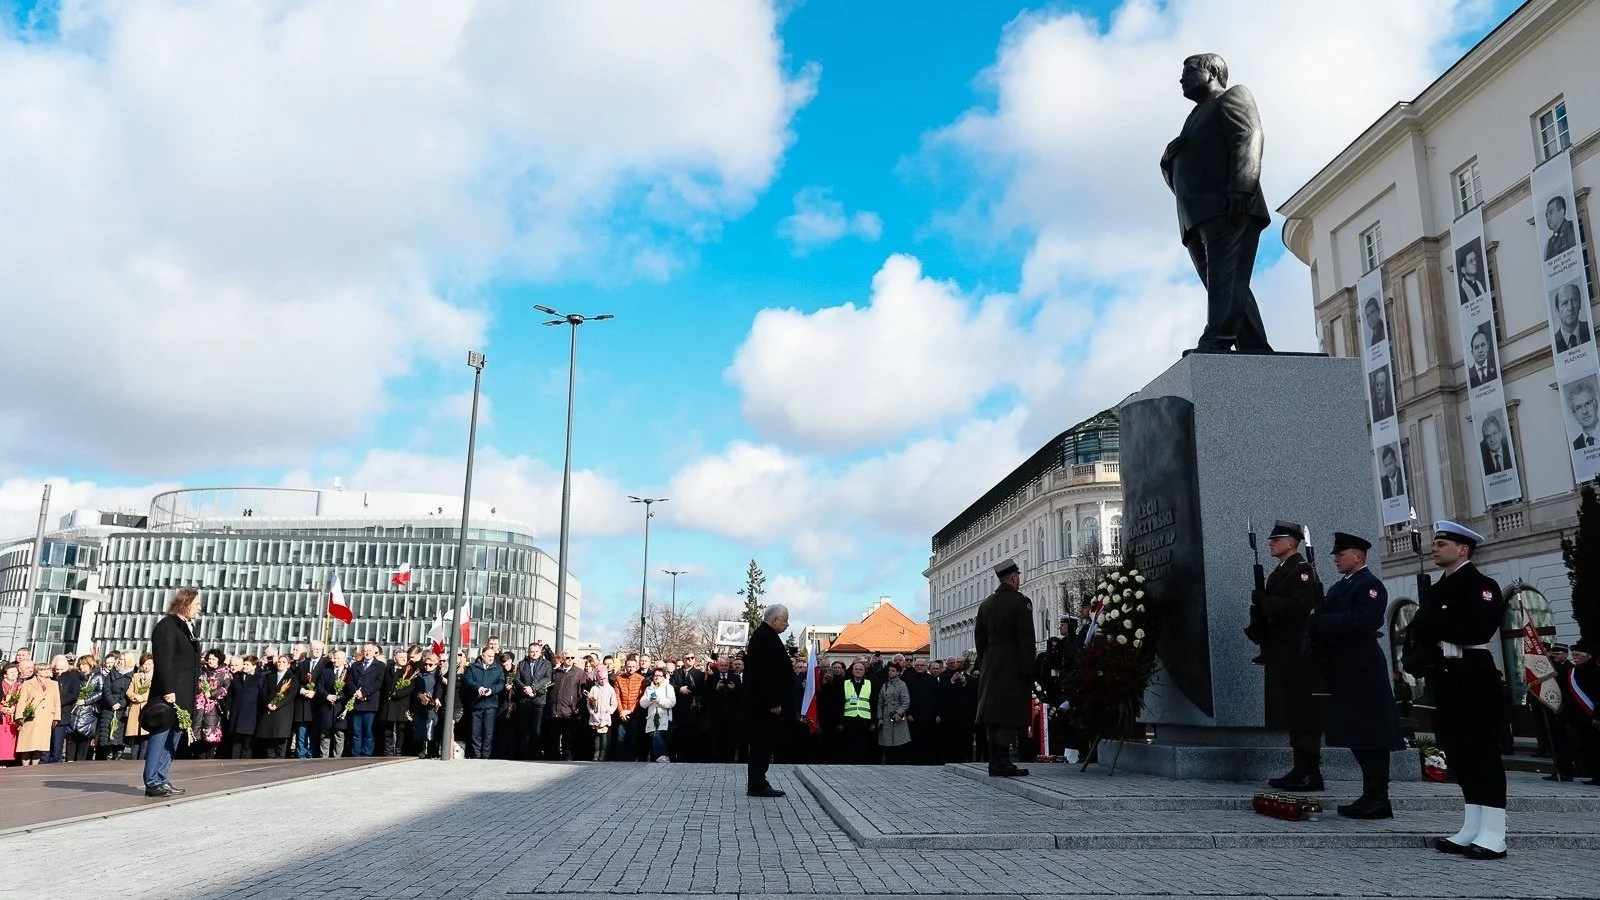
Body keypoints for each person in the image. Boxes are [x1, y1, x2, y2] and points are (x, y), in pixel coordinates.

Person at [1160, 53, 1272, 353]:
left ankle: (1217, 340)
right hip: (1197, 216)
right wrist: (1168, 161)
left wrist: (1242, 188)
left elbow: (1249, 135)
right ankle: (1254, 346)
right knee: (1226, 282)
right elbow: (1184, 177)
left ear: (1211, 72)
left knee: (1225, 279)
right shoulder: (1194, 117)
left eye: (1188, 70)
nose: (1181, 77)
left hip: (1228, 206)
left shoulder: (1233, 96)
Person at [1411, 521, 1509, 859]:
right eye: (1434, 543)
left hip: (1472, 675)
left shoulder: (1483, 586)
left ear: (1462, 549)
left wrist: (1430, 622)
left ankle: (1495, 831)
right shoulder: (1437, 588)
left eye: (1441, 543)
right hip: (1445, 678)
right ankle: (1472, 825)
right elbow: (1418, 633)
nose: (1434, 548)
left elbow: (1476, 629)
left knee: (1482, 752)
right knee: (1459, 754)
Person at [1309, 532, 1404, 818]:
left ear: (1359, 556)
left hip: (1362, 666)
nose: (1336, 558)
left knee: (1371, 733)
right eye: (1335, 554)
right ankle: (1369, 793)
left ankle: (1379, 797)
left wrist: (1322, 621)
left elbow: (1365, 620)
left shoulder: (1369, 586)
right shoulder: (1342, 586)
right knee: (1356, 733)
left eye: (1341, 554)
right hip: (1344, 666)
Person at [1257, 521, 1324, 792]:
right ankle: (1301, 767)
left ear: (1293, 542)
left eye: (1277, 538)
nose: (1271, 542)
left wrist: (1266, 604)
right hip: (1282, 652)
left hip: (1298, 653)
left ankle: (1310, 770)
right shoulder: (1280, 571)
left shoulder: (1302, 571)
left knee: (1303, 713)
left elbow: (1299, 606)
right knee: (1291, 713)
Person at [975, 558, 1037, 777]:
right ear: (1013, 578)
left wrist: (985, 664)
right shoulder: (1021, 603)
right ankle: (1002, 761)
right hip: (1012, 663)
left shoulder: (986, 604)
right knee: (1008, 713)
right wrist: (1029, 670)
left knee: (992, 714)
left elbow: (979, 641)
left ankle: (994, 761)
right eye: (1018, 577)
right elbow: (1026, 639)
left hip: (991, 663)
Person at [144, 586, 202, 797]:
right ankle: (151, 780)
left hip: (185, 693)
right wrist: (168, 689)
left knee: (175, 736)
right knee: (160, 735)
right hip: (170, 693)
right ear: (185, 604)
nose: (199, 608)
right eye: (197, 604)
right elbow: (164, 661)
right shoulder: (167, 626)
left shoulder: (188, 626)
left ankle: (161, 777)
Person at [745, 604, 793, 797]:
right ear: (774, 620)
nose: (787, 625)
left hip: (763, 704)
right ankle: (757, 784)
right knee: (761, 744)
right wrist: (773, 701)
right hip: (764, 706)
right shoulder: (764, 638)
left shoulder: (765, 636)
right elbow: (765, 674)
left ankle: (759, 781)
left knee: (763, 744)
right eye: (785, 620)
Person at [13, 660, 58, 766]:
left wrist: (56, 717)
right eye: (44, 669)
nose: (47, 672)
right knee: (26, 744)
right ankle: (24, 767)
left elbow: (57, 701)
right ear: (37, 672)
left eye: (48, 669)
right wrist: (19, 716)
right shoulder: (28, 683)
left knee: (40, 745)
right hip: (30, 717)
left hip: (46, 717)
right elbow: (22, 701)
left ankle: (35, 767)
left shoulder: (54, 684)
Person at [514, 640, 553, 760]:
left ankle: (535, 754)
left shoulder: (546, 664)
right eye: (532, 652)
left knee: (536, 730)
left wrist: (533, 688)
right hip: (524, 700)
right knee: (524, 730)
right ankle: (524, 754)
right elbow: (516, 678)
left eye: (536, 652)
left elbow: (547, 678)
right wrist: (525, 688)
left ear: (540, 652)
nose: (534, 654)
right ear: (528, 652)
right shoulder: (521, 664)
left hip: (538, 701)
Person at [464, 645, 503, 759]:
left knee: (488, 732)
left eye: (493, 656)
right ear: (482, 656)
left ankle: (485, 756)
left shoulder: (498, 668)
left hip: (490, 704)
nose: (491, 658)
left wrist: (491, 690)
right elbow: (468, 680)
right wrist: (478, 687)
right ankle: (476, 755)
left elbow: (501, 684)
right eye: (489, 656)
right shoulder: (473, 667)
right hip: (476, 703)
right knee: (475, 732)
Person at [193, 648, 232, 759]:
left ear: (219, 659)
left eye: (213, 659)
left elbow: (226, 688)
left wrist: (212, 693)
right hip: (199, 706)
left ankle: (210, 757)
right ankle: (199, 757)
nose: (210, 661)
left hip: (213, 706)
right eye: (209, 658)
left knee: (211, 734)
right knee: (198, 733)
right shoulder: (202, 670)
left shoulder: (224, 672)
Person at [256, 653, 296, 758]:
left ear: (288, 665)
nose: (280, 664)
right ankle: (270, 756)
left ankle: (280, 757)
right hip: (269, 709)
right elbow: (264, 691)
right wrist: (268, 703)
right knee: (270, 735)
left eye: (283, 662)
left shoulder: (292, 677)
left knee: (281, 736)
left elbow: (291, 695)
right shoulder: (271, 676)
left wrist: (277, 704)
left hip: (283, 710)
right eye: (279, 662)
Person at [65, 654, 103, 762]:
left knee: (83, 740)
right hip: (75, 710)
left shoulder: (98, 676)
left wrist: (86, 701)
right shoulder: (76, 676)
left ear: (90, 664)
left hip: (88, 712)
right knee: (71, 738)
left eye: (84, 664)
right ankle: (69, 762)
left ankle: (80, 764)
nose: (81, 667)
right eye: (80, 664)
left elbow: (100, 692)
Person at [380, 649, 416, 757]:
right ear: (395, 658)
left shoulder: (409, 671)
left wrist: (398, 694)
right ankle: (388, 751)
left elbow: (411, 686)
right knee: (388, 730)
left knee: (401, 729)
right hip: (389, 703)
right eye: (401, 657)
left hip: (402, 703)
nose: (404, 659)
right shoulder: (388, 670)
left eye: (405, 657)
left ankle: (399, 751)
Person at [294, 640, 327, 759]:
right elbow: (296, 681)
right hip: (303, 702)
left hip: (318, 702)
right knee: (302, 730)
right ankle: (301, 753)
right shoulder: (303, 664)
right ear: (310, 649)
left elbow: (326, 683)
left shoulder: (326, 663)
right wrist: (302, 690)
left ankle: (313, 752)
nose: (317, 651)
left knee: (315, 731)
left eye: (319, 649)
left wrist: (315, 692)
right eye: (315, 649)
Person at [411, 652, 447, 759]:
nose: (427, 666)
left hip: (433, 706)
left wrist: (436, 698)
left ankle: (433, 752)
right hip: (420, 704)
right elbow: (414, 688)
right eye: (426, 664)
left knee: (432, 728)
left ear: (436, 664)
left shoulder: (438, 675)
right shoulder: (420, 674)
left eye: (430, 664)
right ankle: (419, 751)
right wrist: (420, 695)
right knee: (420, 729)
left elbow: (440, 688)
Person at [98, 652, 132, 760]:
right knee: (107, 731)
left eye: (123, 659)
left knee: (119, 732)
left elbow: (129, 692)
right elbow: (106, 689)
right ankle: (108, 753)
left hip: (122, 707)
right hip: (110, 706)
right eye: (120, 659)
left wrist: (121, 704)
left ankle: (118, 752)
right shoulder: (112, 673)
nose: (120, 661)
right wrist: (112, 703)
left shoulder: (132, 674)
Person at [876, 662, 912, 765]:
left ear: (899, 673)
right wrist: (880, 717)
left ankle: (900, 763)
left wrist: (899, 712)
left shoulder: (902, 684)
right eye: (889, 670)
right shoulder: (885, 685)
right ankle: (888, 762)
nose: (890, 672)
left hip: (898, 717)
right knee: (887, 743)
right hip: (886, 716)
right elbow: (880, 703)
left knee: (899, 742)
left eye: (893, 671)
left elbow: (906, 702)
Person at [638, 667, 676, 763]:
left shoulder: (668, 687)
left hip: (664, 717)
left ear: (663, 677)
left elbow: (671, 702)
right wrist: (650, 699)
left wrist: (659, 700)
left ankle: (664, 756)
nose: (657, 678)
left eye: (660, 676)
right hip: (652, 718)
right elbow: (642, 704)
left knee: (658, 736)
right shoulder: (649, 688)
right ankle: (661, 757)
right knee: (655, 737)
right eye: (655, 676)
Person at [226, 655, 261, 759]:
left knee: (247, 743)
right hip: (237, 712)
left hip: (251, 713)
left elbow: (261, 695)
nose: (245, 666)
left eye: (247, 664)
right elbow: (230, 696)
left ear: (254, 666)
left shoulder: (259, 678)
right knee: (236, 742)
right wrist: (228, 708)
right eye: (244, 664)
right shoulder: (237, 677)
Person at [587, 664, 618, 762]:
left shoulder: (610, 689)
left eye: (604, 679)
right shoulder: (594, 688)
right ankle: (596, 752)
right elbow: (590, 702)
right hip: (595, 715)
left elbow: (614, 703)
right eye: (600, 679)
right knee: (596, 734)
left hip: (605, 715)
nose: (603, 681)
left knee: (604, 734)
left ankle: (603, 753)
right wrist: (593, 711)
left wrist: (609, 712)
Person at [125, 653, 153, 760]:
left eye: (149, 664)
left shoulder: (154, 677)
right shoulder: (136, 676)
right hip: (135, 707)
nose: (147, 666)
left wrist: (143, 697)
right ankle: (133, 758)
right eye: (145, 664)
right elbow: (129, 691)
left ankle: (142, 759)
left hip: (147, 707)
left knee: (145, 735)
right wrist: (135, 697)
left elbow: (152, 691)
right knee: (135, 735)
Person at [1553, 283, 1593, 352]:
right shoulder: (1555, 341)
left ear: (1580, 304)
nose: (1570, 308)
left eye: (1574, 301)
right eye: (1564, 303)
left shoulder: (1590, 328)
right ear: (1557, 310)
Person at [1568, 379, 1600, 450]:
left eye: (1588, 404)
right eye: (1578, 408)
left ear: (1596, 405)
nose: (1585, 411)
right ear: (1573, 414)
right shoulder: (1574, 446)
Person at [1544, 195, 1577, 261]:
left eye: (1551, 213)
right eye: (1546, 215)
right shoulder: (1549, 243)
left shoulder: (1574, 227)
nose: (1548, 218)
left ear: (1561, 212)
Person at [1, 660, 20, 765]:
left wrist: (15, 707)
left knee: (12, 740)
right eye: (11, 672)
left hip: (13, 717)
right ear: (5, 674)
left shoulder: (20, 686)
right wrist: (2, 708)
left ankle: (9, 761)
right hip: (2, 716)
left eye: (16, 672)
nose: (14, 674)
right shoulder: (1, 685)